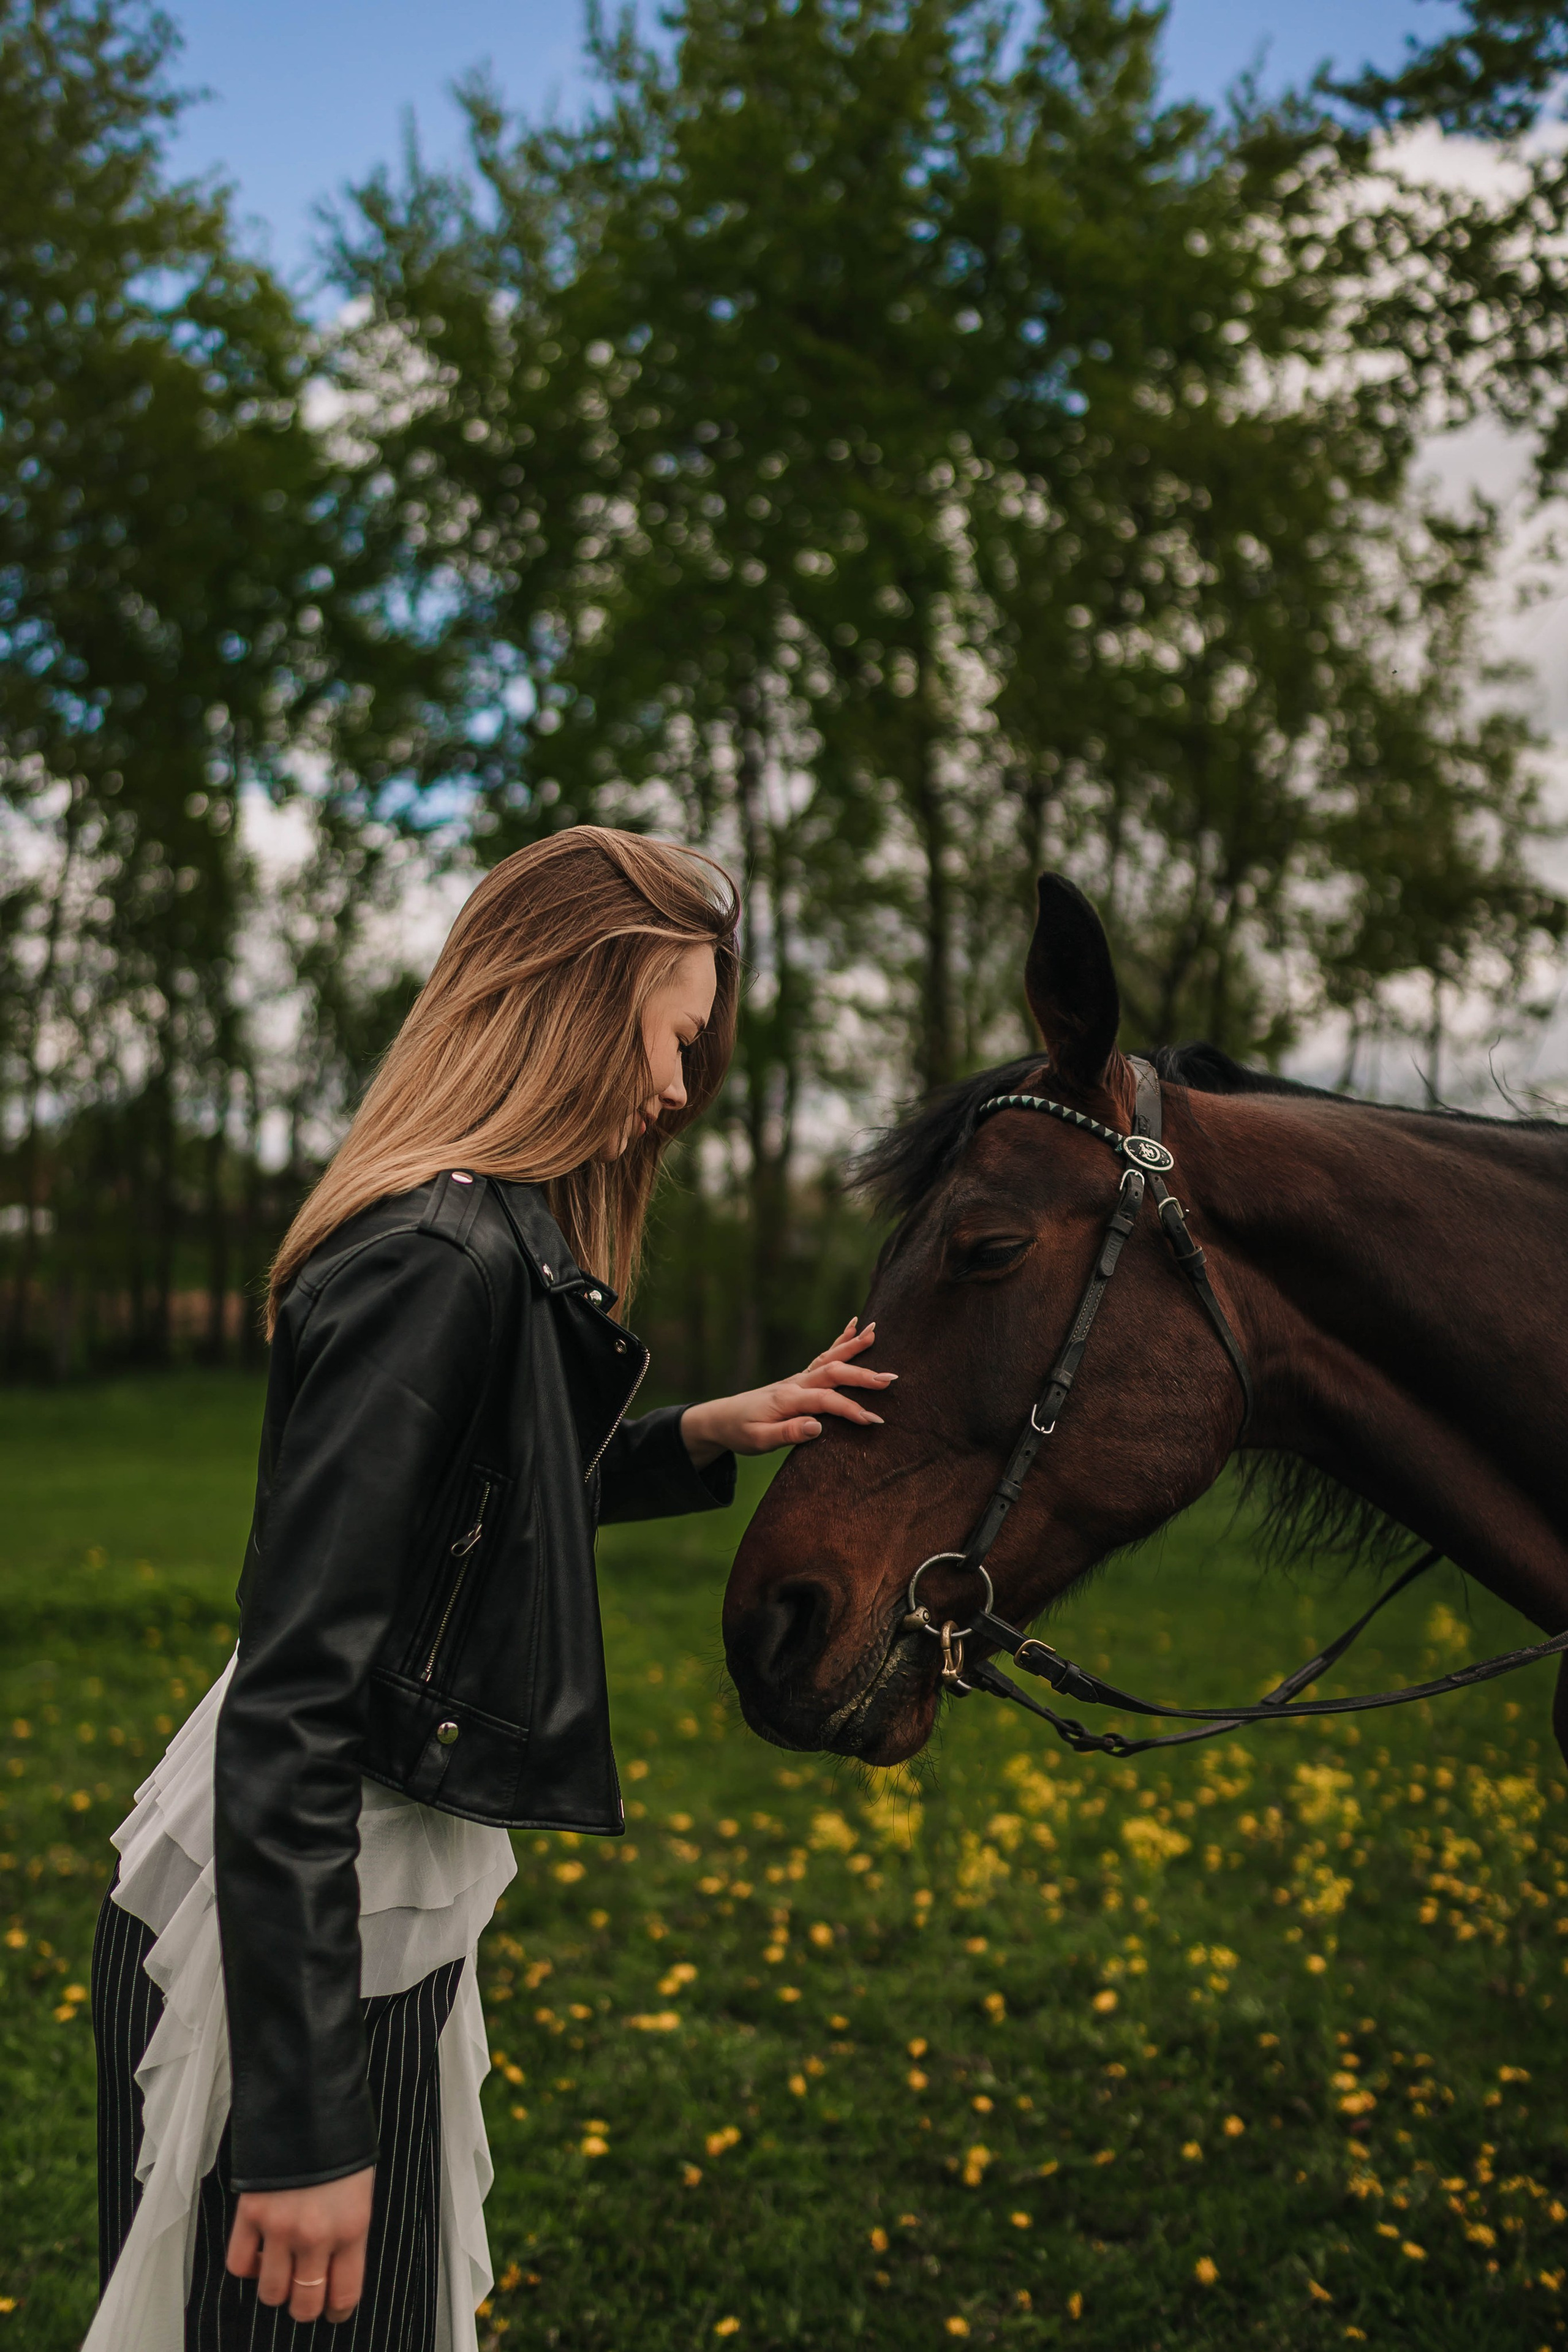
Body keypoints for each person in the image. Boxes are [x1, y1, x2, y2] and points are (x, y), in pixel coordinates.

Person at [86, 827, 894, 2351]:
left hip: (357, 1892)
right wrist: (309, 2129)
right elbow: (296, 1694)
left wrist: (701, 1434)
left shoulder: (487, 1244)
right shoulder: (435, 1260)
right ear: (581, 1004)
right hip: (307, 1911)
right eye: (673, 1038)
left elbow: (473, 1510)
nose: (676, 1089)